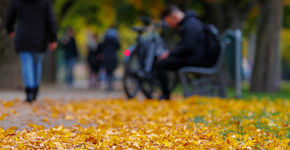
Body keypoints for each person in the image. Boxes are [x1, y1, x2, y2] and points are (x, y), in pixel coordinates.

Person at [5, 0, 57, 103]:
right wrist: (53, 38)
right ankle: (35, 88)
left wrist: (9, 29)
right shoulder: (45, 2)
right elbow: (50, 20)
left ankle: (29, 90)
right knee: (37, 64)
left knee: (26, 63)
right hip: (40, 37)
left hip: (23, 37)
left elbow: (10, 15)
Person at [157, 5, 206, 100]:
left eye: (168, 22)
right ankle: (165, 94)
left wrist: (170, 54)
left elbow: (187, 47)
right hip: (195, 57)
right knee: (163, 62)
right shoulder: (189, 23)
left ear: (174, 16)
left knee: (161, 64)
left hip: (195, 59)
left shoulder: (190, 25)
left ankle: (165, 95)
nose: (169, 25)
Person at [98, 27, 120, 91]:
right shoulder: (115, 39)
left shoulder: (105, 38)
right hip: (113, 56)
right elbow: (118, 47)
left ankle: (108, 85)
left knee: (107, 71)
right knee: (111, 71)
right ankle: (111, 84)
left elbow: (102, 46)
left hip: (107, 56)